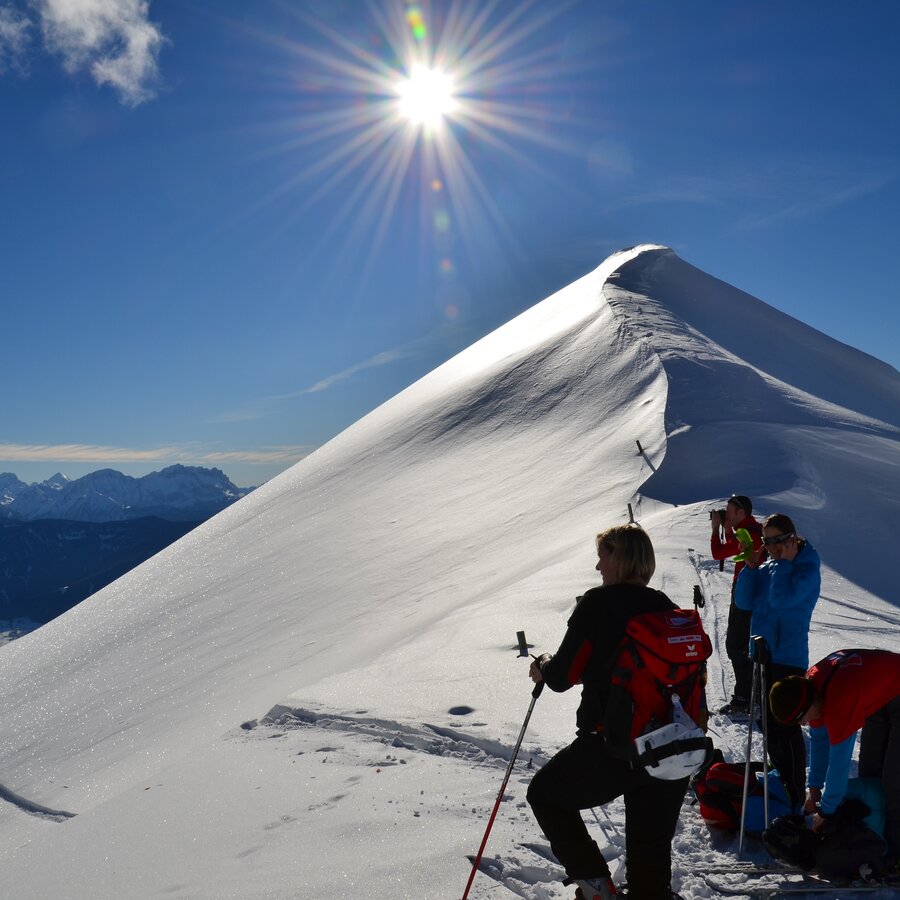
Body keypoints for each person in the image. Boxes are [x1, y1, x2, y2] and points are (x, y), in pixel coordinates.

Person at [526, 524, 687, 900]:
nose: (598, 566)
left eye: (603, 556)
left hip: (615, 745)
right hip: (671, 747)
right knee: (650, 866)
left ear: (620, 558)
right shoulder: (665, 606)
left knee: (546, 795)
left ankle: (596, 887)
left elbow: (563, 675)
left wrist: (543, 665)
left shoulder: (598, 604)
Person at [769, 649, 900, 866]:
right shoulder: (811, 687)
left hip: (890, 689)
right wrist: (814, 788)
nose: (802, 725)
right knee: (870, 776)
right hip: (880, 695)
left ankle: (895, 854)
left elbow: (839, 763)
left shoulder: (839, 699)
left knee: (894, 783)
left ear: (808, 705)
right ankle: (875, 839)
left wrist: (826, 811)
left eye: (800, 719)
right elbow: (820, 741)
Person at [734, 513, 820, 808]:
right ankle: (780, 780)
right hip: (763, 654)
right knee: (768, 724)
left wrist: (783, 563)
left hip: (788, 656)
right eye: (765, 540)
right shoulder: (771, 565)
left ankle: (795, 791)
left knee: (785, 725)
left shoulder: (807, 568)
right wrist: (750, 567)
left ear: (791, 539)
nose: (769, 546)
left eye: (774, 540)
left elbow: (782, 601)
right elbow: (743, 602)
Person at [709, 494, 763, 714]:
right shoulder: (754, 530)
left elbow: (718, 552)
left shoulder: (747, 533)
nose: (726, 515)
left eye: (730, 512)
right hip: (750, 592)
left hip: (745, 593)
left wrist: (715, 529)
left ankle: (744, 700)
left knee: (735, 645)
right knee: (743, 644)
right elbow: (734, 547)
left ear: (741, 513)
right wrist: (728, 529)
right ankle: (753, 696)